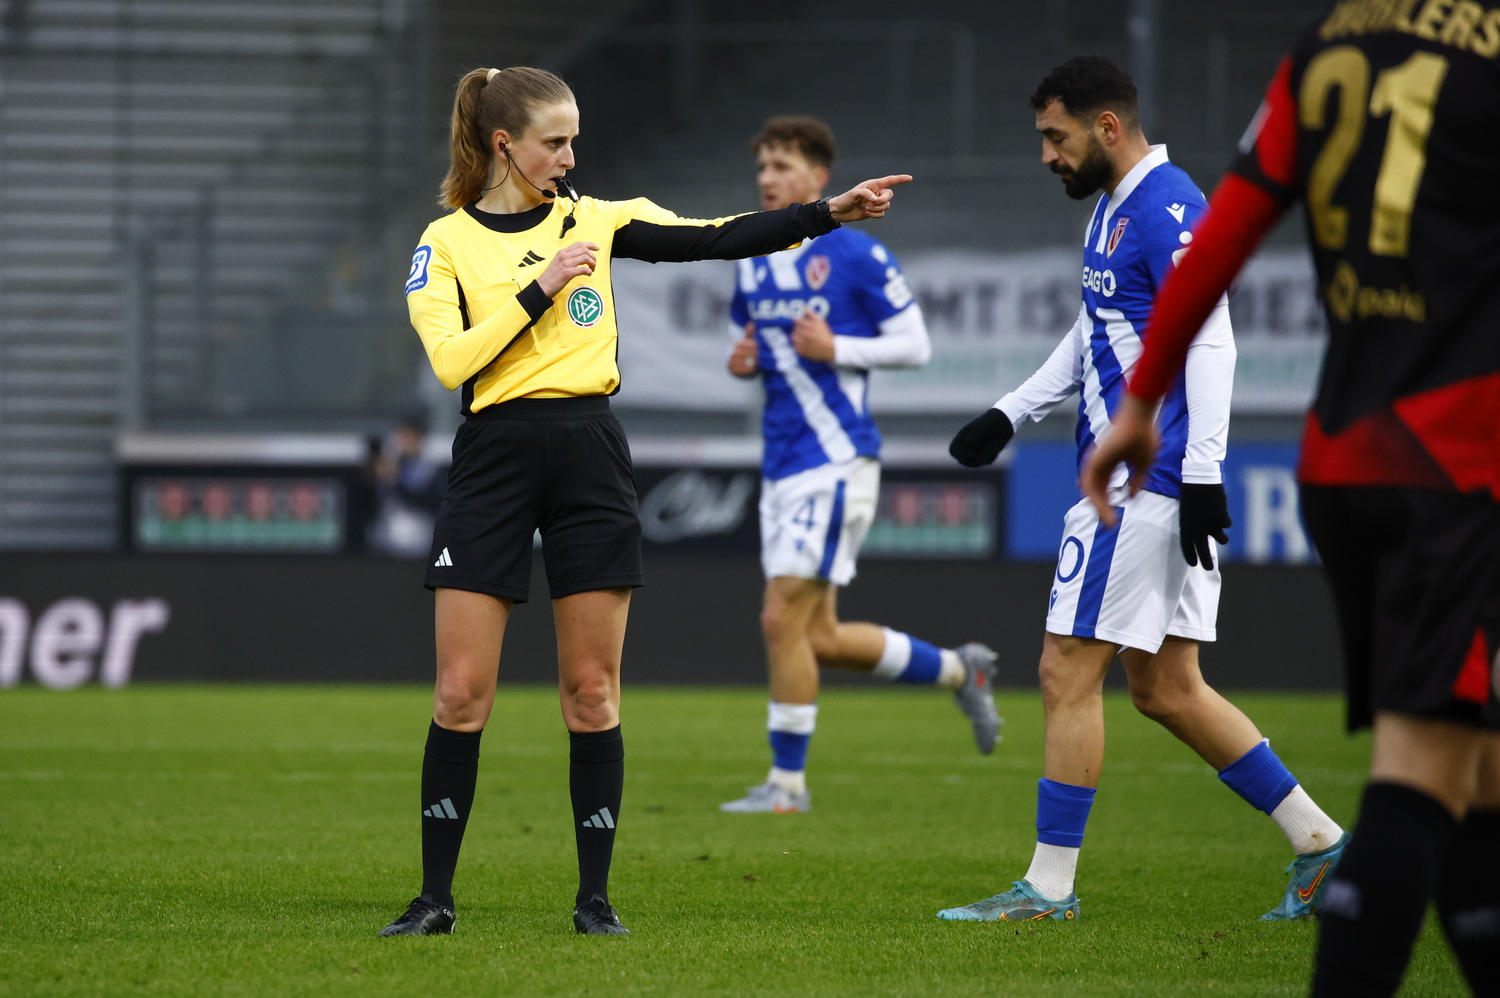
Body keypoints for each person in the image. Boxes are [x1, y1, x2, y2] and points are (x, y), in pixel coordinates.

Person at [381, 66, 912, 938]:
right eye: (555, 142)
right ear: (504, 144)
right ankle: (434, 899)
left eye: (575, 140)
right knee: (460, 693)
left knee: (592, 693)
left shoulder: (597, 219)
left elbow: (715, 237)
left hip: (590, 456)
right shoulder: (445, 244)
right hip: (493, 459)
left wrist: (826, 214)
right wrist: (541, 287)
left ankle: (595, 901)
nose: (570, 157)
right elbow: (452, 362)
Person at [1079, 8, 1499, 994]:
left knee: (1475, 769)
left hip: (1348, 458)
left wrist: (1140, 404)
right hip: (1456, 462)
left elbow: (1225, 239)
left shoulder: (1326, 49)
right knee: (1424, 766)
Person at [939, 55, 1346, 923]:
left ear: (1107, 126)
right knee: (1166, 688)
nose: (1046, 155)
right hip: (1153, 481)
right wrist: (1012, 411)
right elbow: (1097, 324)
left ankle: (1049, 889)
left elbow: (1212, 336)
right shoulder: (1112, 208)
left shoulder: (1166, 208)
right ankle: (1321, 845)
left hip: (1145, 482)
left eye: (1055, 137)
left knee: (1064, 668)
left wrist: (1200, 474)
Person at [717, 116, 1000, 815]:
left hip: (837, 458)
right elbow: (744, 343)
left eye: (782, 166)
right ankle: (960, 670)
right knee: (818, 636)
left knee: (780, 618)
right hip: (782, 465)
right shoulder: (751, 256)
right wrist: (742, 361)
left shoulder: (857, 254)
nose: (767, 178)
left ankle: (786, 787)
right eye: (762, 167)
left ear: (819, 177)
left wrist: (837, 348)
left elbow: (915, 344)